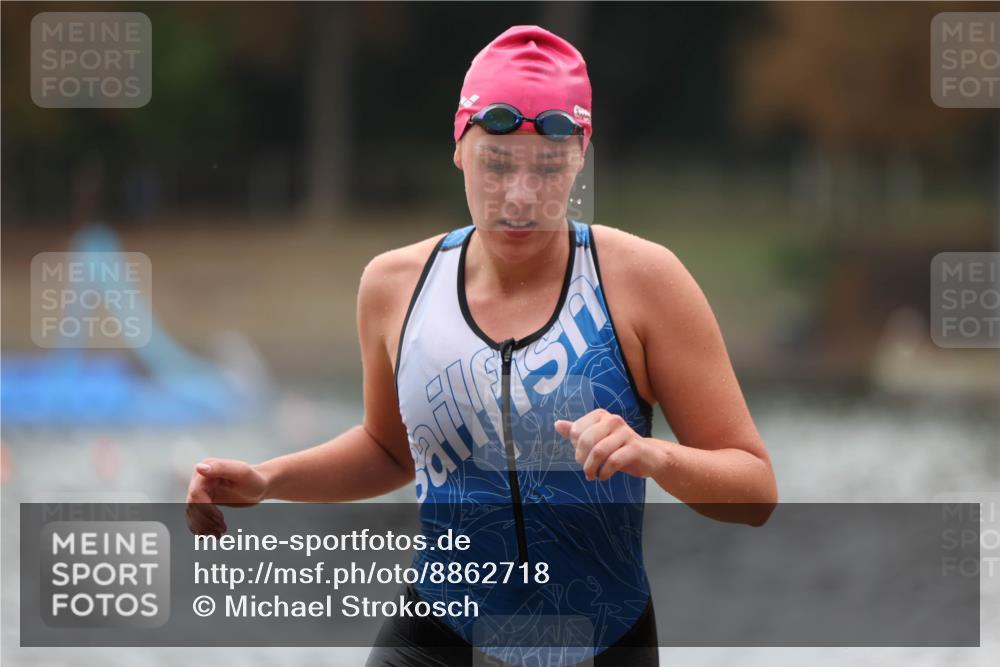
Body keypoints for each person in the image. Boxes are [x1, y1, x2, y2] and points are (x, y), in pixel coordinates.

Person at [186, 25, 777, 667]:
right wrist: (269, 479)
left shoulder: (644, 282)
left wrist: (655, 455)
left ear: (580, 157)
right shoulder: (394, 287)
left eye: (548, 168)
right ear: (460, 150)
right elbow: (389, 449)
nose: (520, 197)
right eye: (497, 164)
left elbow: (755, 492)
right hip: (437, 641)